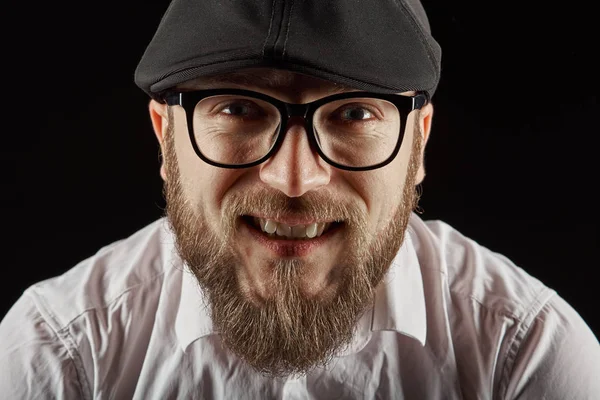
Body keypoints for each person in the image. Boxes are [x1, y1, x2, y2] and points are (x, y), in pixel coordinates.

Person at [1, 0, 599, 398]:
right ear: (165, 134)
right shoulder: (57, 359)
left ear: (418, 142)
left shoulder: (525, 358)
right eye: (238, 108)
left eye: (354, 112)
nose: (294, 180)